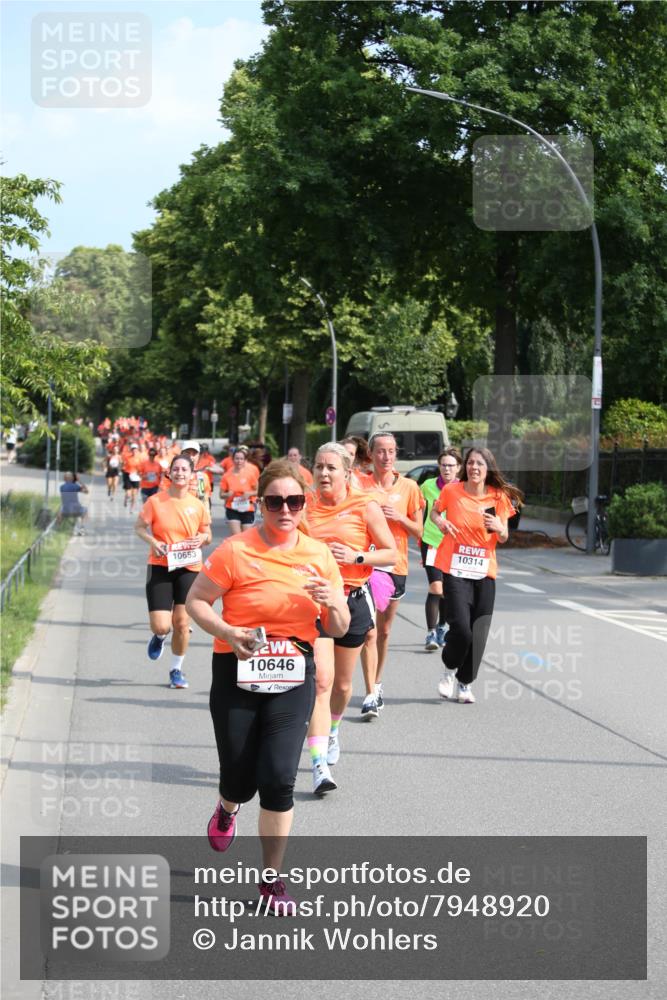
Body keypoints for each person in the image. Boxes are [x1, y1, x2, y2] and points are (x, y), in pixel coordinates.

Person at [186, 460, 349, 912]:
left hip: (293, 674)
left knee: (278, 779)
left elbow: (338, 627)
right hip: (236, 670)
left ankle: (272, 881)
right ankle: (228, 807)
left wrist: (333, 602)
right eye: (275, 502)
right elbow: (196, 600)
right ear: (261, 505)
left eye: (294, 501)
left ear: (304, 504)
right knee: (239, 778)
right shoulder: (235, 550)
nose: (285, 510)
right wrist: (228, 632)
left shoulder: (319, 556)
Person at [301, 443, 396, 791]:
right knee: (322, 682)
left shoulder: (364, 505)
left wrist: (356, 557)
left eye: (331, 468)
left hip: (352, 600)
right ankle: (319, 764)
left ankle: (333, 729)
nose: (324, 473)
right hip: (313, 603)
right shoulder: (303, 505)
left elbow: (390, 553)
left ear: (346, 472)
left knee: (341, 686)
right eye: (319, 466)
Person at [431, 447, 523, 704]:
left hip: (484, 571)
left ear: (487, 468)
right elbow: (435, 512)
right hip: (455, 568)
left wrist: (499, 527)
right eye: (470, 463)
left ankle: (465, 682)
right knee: (462, 629)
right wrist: (441, 522)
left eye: (480, 464)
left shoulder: (498, 497)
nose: (474, 468)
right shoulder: (452, 491)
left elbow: (503, 536)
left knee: (478, 632)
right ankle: (449, 669)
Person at [357, 433, 423, 711]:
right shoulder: (359, 484)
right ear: (371, 454)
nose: (386, 456)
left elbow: (419, 531)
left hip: (394, 566)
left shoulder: (409, 487)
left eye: (392, 451)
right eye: (381, 451)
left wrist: (400, 518)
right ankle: (370, 692)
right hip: (363, 564)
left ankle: (378, 681)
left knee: (383, 631)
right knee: (367, 631)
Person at [135, 455, 212, 690]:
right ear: (169, 473)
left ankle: (176, 670)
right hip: (160, 565)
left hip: (189, 568)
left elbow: (207, 535)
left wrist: (202, 538)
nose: (180, 473)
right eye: (176, 469)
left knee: (182, 622)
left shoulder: (198, 505)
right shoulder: (155, 501)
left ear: (191, 475)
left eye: (184, 469)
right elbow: (139, 527)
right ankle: (159, 637)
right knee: (162, 625)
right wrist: (153, 541)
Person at [420, 448, 462, 650]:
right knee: (436, 587)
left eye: (451, 466)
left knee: (447, 590)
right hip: (431, 542)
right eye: (444, 465)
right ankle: (430, 633)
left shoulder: (463, 488)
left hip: (454, 546)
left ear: (458, 468)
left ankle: (441, 627)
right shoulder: (427, 486)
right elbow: (418, 510)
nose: (447, 469)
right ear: (439, 466)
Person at [219, 447, 260, 534]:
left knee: (246, 536)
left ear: (245, 460)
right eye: (237, 458)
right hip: (232, 508)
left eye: (241, 459)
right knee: (237, 535)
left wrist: (249, 494)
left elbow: (258, 491)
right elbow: (221, 495)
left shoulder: (250, 474)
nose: (239, 461)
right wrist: (228, 494)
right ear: (233, 460)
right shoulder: (226, 476)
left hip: (248, 508)